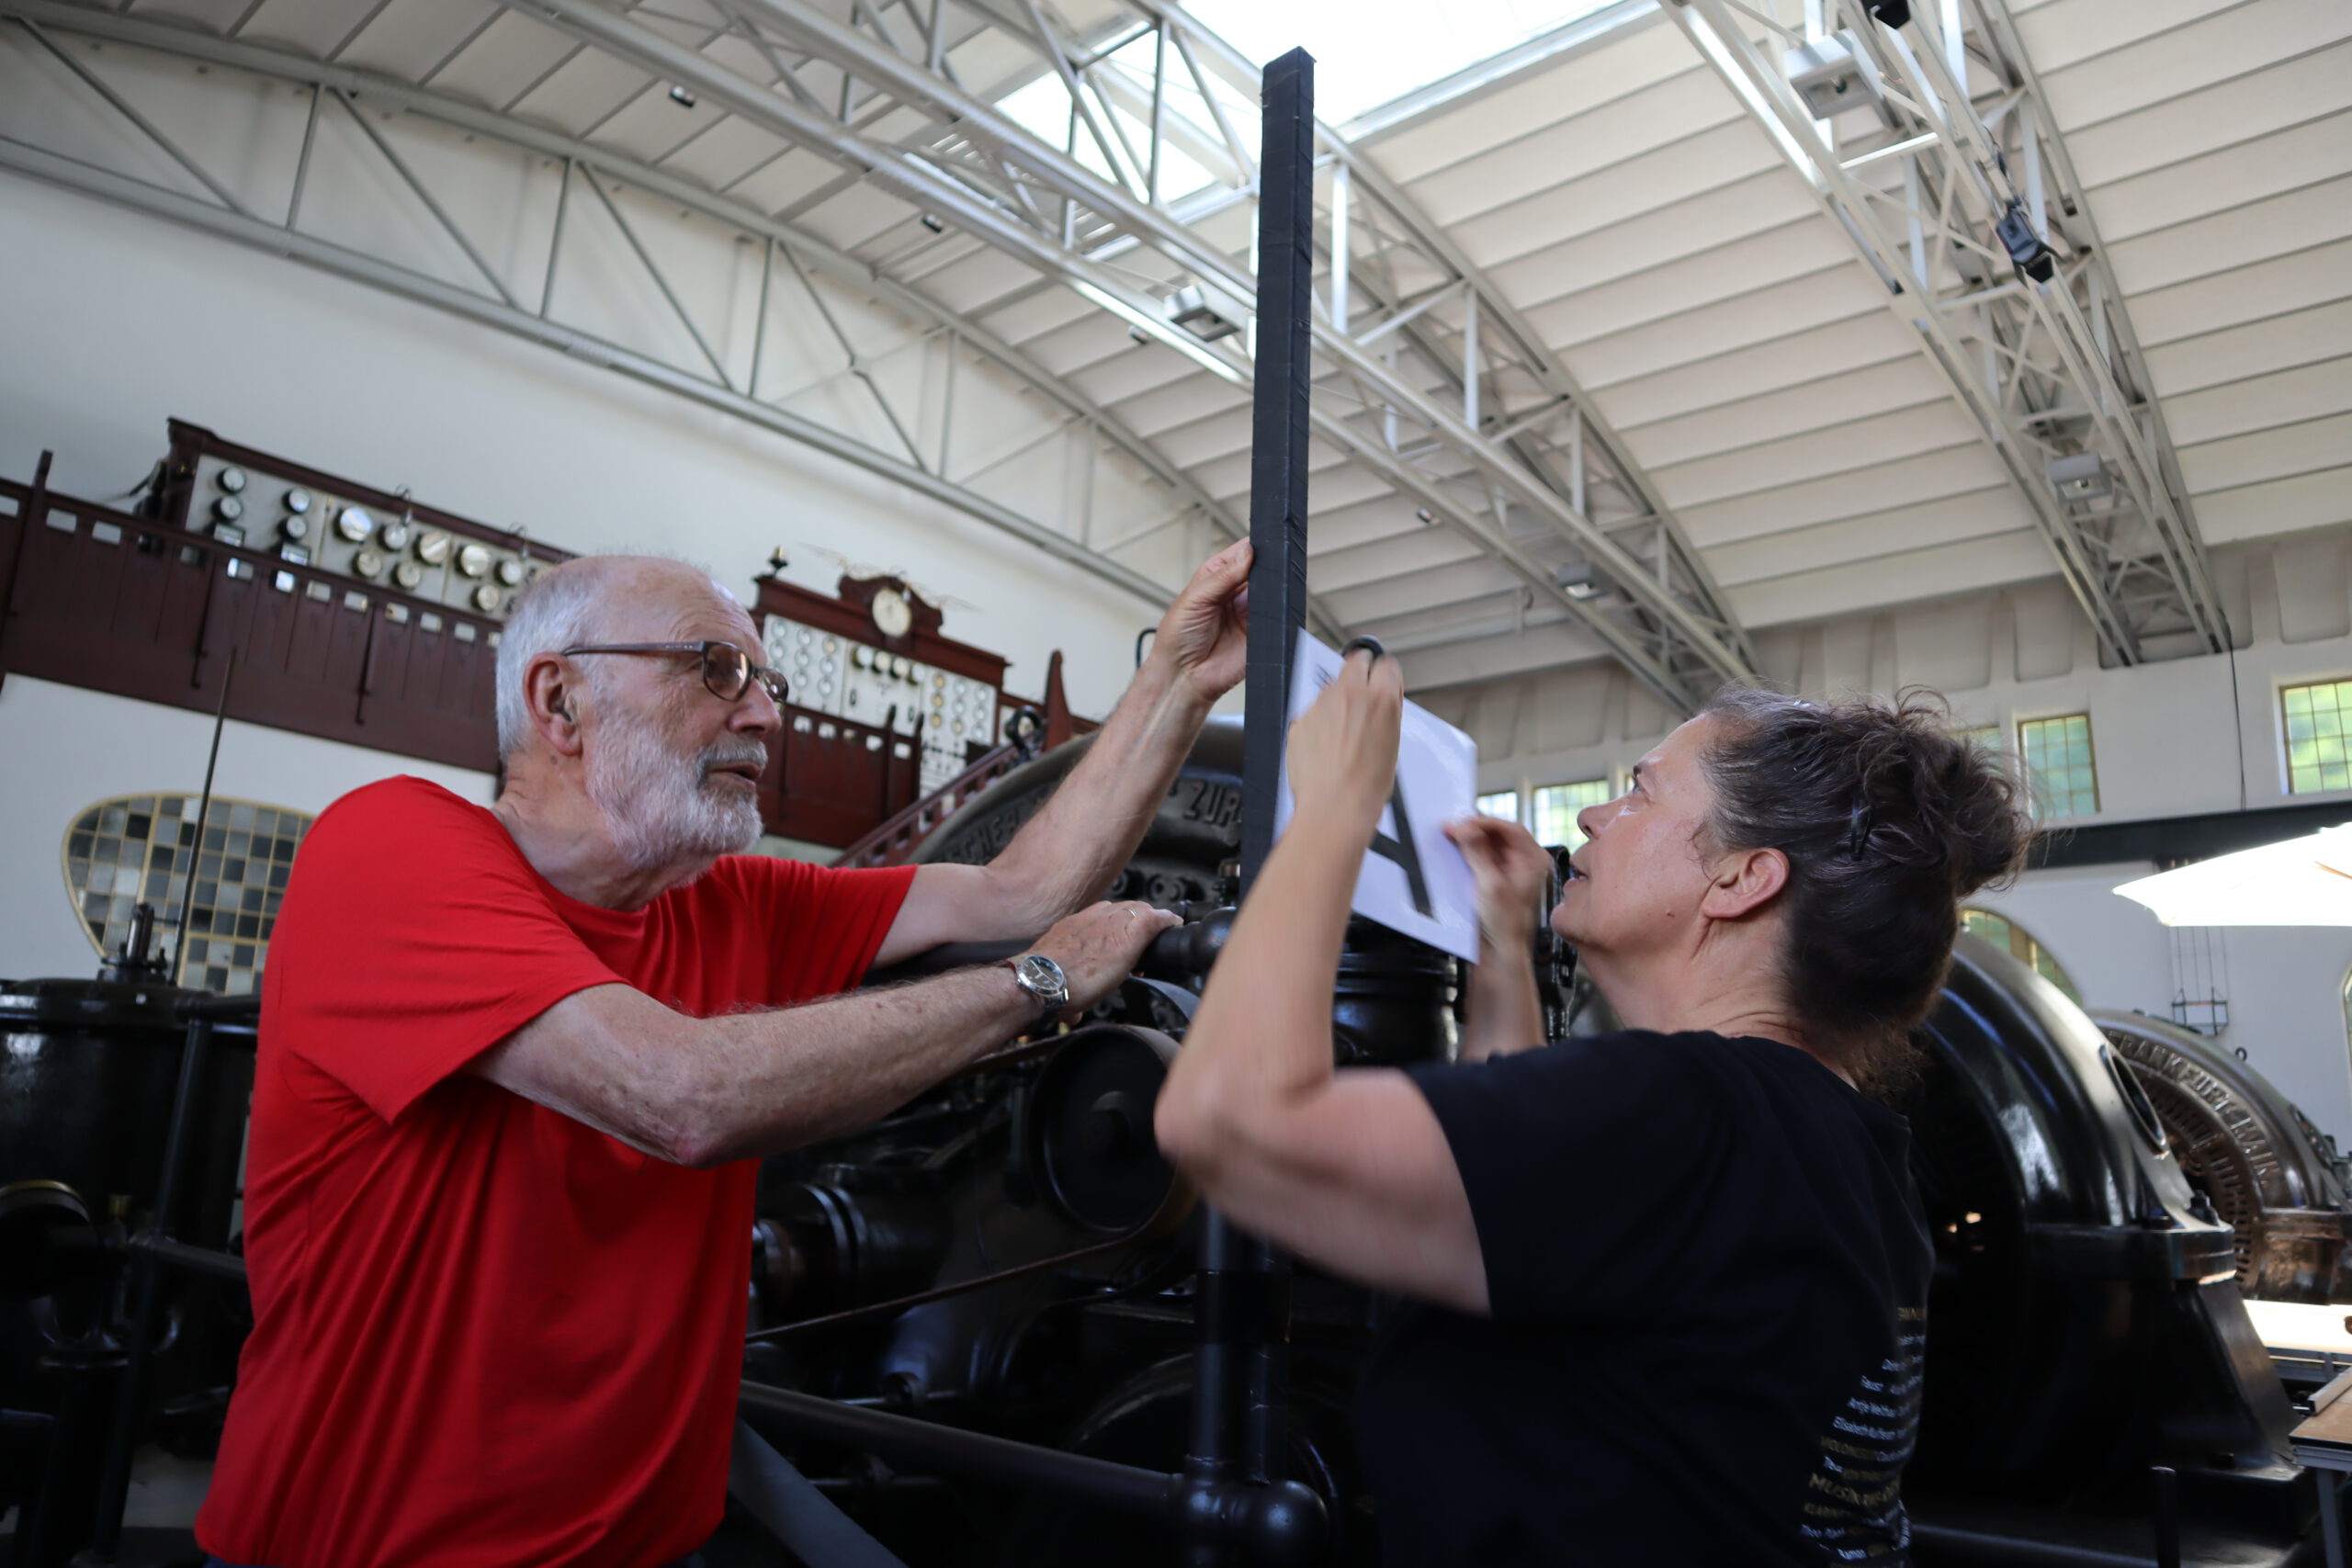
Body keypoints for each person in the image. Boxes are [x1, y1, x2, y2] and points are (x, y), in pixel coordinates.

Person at [194, 545, 1253, 1568]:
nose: (764, 714)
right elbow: (679, 1094)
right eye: (715, 669)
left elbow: (1020, 893)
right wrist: (1038, 983)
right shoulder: (389, 847)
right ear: (560, 702)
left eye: (765, 681)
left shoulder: (729, 903)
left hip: (656, 1545)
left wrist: (1178, 680)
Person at [1154, 647, 2032, 1566]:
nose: (1592, 816)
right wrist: (1503, 951)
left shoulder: (1683, 1107)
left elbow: (1228, 1124)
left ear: (1742, 878)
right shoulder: (1833, 1140)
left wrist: (1332, 814)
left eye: (1640, 794)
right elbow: (1523, 1213)